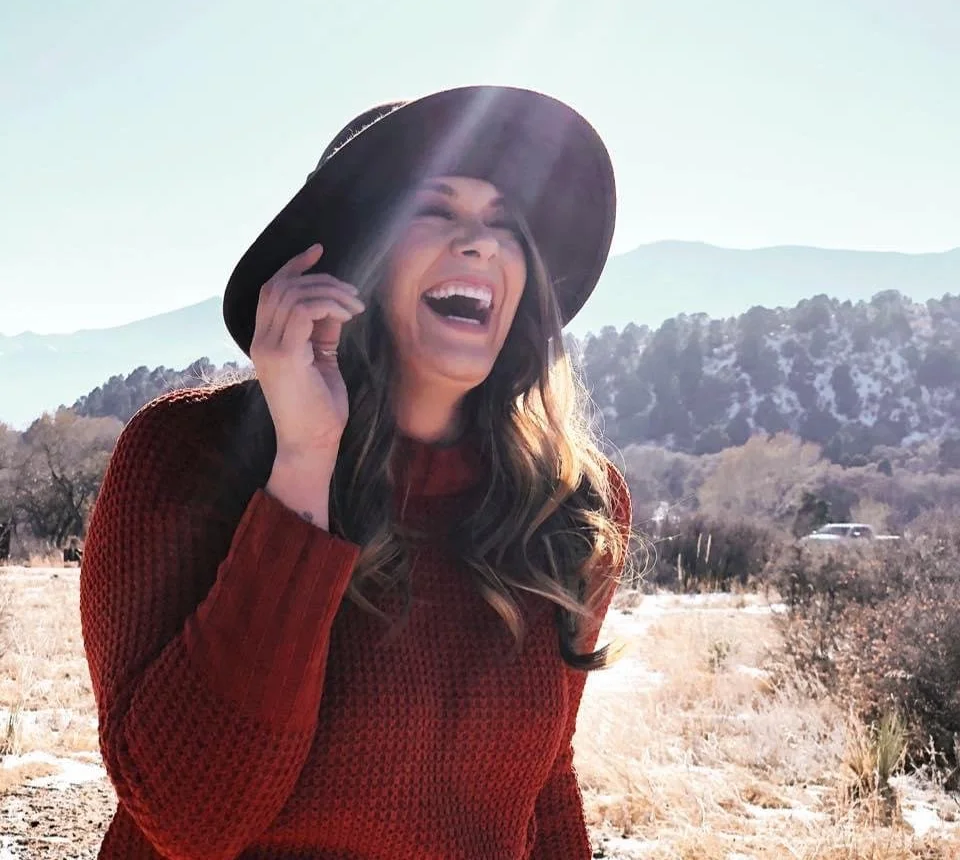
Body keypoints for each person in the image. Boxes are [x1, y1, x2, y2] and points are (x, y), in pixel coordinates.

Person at [80, 85, 633, 860]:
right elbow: (187, 818)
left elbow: (541, 784)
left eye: (505, 222)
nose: (479, 243)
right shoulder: (183, 455)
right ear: (347, 260)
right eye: (434, 211)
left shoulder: (566, 505)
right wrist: (304, 462)